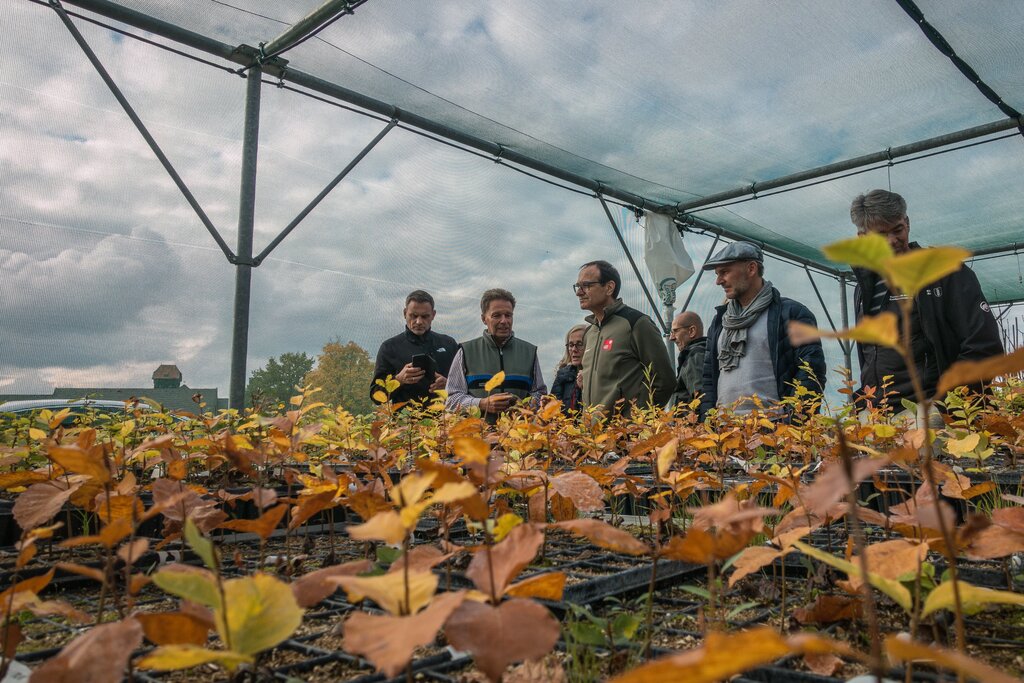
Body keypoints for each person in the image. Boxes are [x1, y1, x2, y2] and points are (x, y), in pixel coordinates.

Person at [849, 190, 1003, 410]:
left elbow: (984, 344)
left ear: (907, 223)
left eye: (898, 230)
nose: (893, 241)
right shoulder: (864, 289)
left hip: (928, 410)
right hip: (878, 413)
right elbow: (870, 356)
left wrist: (946, 405)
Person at [699, 242, 826, 417]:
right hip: (724, 430)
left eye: (725, 272)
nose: (719, 281)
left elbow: (811, 371)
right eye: (717, 274)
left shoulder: (792, 313)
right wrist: (708, 422)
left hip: (773, 430)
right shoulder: (721, 321)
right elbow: (708, 379)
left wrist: (794, 423)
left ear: (751, 269)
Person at [576, 260, 674, 412]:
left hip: (625, 433)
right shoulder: (590, 333)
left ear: (609, 287)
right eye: (577, 286)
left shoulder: (636, 323)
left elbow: (665, 381)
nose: (579, 292)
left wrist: (637, 423)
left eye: (587, 285)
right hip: (593, 434)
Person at [446, 288, 547, 422]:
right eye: (496, 315)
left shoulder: (529, 352)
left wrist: (523, 405)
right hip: (478, 437)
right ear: (484, 319)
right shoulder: (466, 351)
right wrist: (481, 403)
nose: (504, 321)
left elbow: (540, 394)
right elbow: (451, 400)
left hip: (519, 437)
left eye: (508, 315)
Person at [369, 290, 458, 406]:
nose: (419, 321)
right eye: (413, 316)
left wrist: (448, 384)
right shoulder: (389, 348)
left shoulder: (449, 344)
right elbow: (375, 396)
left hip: (445, 420)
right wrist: (399, 379)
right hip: (405, 421)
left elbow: (466, 386)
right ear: (405, 313)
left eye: (425, 316)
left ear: (433, 315)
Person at [668, 311, 707, 409]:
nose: (671, 338)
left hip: (692, 423)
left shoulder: (695, 356)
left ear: (692, 331)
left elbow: (701, 398)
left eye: (675, 331)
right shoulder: (700, 353)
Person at [550, 324, 588, 414]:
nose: (574, 349)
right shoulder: (562, 375)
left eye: (579, 344)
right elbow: (554, 414)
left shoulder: (598, 374)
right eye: (571, 345)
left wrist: (585, 388)